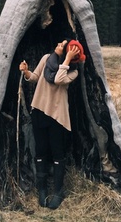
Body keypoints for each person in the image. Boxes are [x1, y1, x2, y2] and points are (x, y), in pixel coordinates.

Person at [19, 39, 86, 209]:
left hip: (57, 115)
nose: (60, 45)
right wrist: (26, 72)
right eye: (63, 45)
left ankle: (58, 191)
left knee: (58, 153)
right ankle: (41, 189)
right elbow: (35, 77)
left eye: (67, 47)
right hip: (39, 110)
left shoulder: (73, 71)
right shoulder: (46, 59)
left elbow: (57, 79)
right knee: (40, 151)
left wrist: (66, 59)